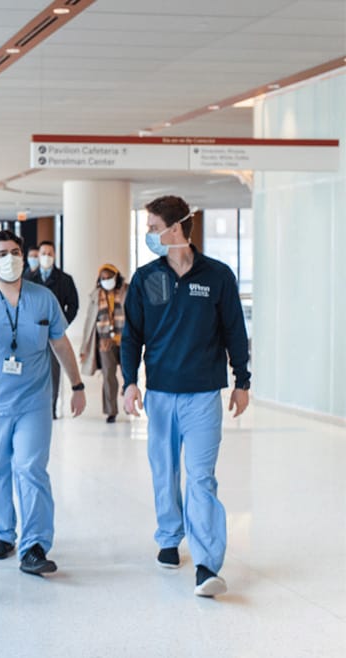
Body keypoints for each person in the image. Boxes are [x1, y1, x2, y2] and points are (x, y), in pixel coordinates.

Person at [121, 195, 250, 598]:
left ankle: (208, 563)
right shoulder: (146, 278)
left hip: (203, 395)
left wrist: (242, 380)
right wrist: (129, 382)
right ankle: (168, 535)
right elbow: (132, 336)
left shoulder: (218, 276)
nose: (149, 234)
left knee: (201, 477)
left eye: (153, 226)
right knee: (164, 469)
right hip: (160, 394)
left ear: (175, 228)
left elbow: (234, 331)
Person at [0, 230, 86, 574]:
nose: (11, 258)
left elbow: (61, 344)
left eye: (16, 251)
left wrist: (77, 385)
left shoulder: (44, 298)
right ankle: (3, 534)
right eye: (3, 253)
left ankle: (34, 544)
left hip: (35, 400)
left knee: (30, 468)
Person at [25, 240, 79, 418]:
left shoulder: (64, 280)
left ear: (54, 256)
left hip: (53, 333)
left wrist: (61, 324)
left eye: (49, 253)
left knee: (54, 371)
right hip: (32, 334)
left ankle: (52, 407)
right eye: (43, 253)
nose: (46, 257)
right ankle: (33, 406)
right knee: (32, 370)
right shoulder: (28, 279)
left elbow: (73, 305)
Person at [79, 264, 128, 422]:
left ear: (116, 276)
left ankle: (128, 398)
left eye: (109, 277)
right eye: (103, 278)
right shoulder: (95, 296)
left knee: (129, 373)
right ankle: (111, 411)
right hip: (105, 342)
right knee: (108, 376)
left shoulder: (127, 290)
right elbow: (89, 322)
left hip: (126, 340)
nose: (106, 280)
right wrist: (84, 348)